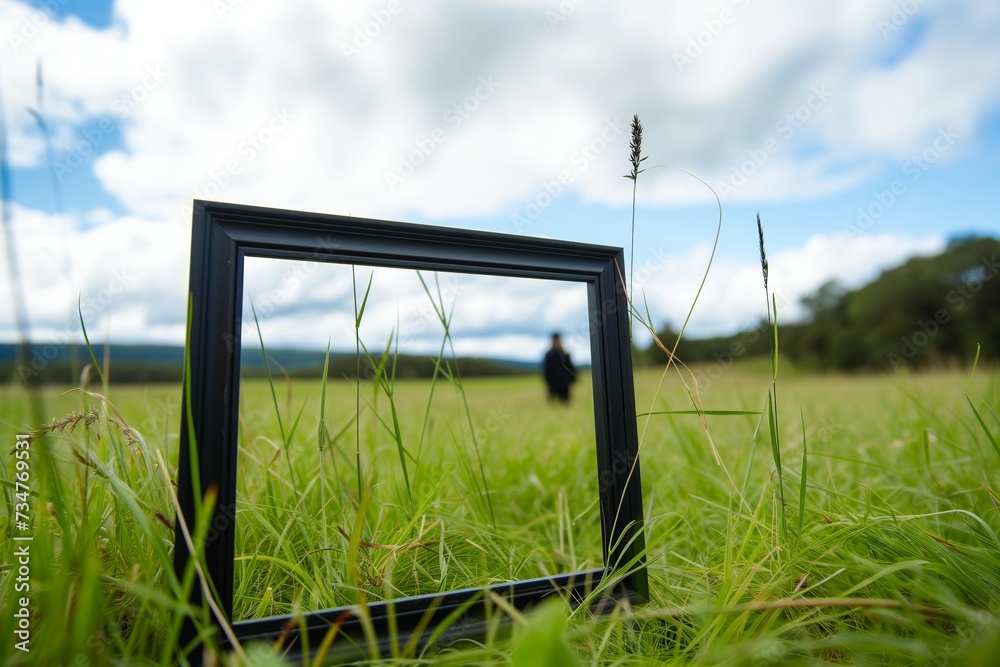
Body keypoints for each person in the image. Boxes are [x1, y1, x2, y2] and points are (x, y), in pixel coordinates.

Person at [543, 333, 576, 403]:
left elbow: (546, 370)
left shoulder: (548, 354)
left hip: (553, 383)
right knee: (564, 404)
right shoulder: (565, 354)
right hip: (564, 383)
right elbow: (570, 368)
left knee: (554, 405)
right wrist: (573, 378)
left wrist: (547, 381)